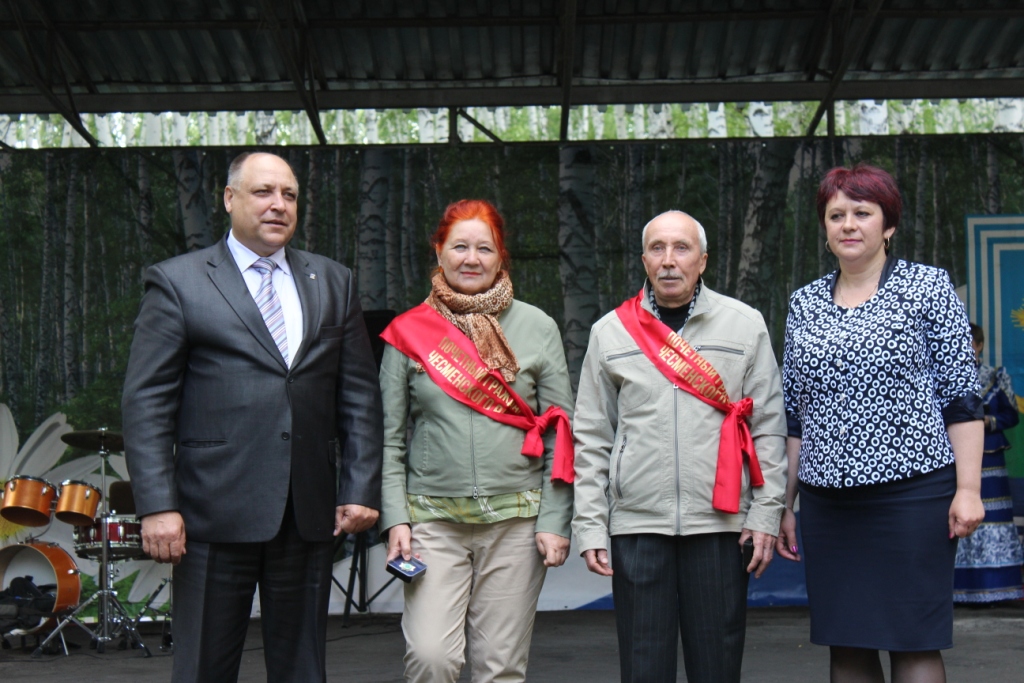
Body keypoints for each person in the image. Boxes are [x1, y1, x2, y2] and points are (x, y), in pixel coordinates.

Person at [122, 152, 384, 683]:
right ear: (229, 198)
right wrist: (158, 506)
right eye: (263, 192)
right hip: (211, 515)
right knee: (203, 669)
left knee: (303, 671)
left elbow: (359, 396)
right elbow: (147, 402)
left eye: (289, 195)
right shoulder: (178, 281)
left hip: (306, 514)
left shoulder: (334, 281)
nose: (278, 205)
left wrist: (359, 487)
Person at [778, 163, 985, 683]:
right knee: (847, 644)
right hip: (828, 504)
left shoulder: (928, 287)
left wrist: (968, 490)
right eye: (836, 215)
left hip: (914, 498)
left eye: (862, 213)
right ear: (825, 227)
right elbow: (796, 415)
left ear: (888, 224)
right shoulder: (803, 303)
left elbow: (962, 400)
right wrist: (784, 503)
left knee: (914, 641)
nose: (848, 225)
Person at [572, 210, 787, 683]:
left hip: (721, 524)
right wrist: (590, 527)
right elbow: (591, 436)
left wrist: (766, 513)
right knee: (643, 668)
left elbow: (769, 426)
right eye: (658, 248)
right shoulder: (610, 331)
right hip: (637, 523)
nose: (669, 260)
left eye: (682, 248)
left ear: (703, 260)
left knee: (717, 667)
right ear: (644, 260)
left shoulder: (744, 325)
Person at [378, 199, 575, 683]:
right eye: (459, 247)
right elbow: (388, 439)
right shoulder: (407, 332)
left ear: (501, 255)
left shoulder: (537, 326)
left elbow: (562, 433)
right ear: (438, 251)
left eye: (484, 248)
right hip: (432, 523)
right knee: (432, 658)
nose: (471, 259)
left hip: (516, 524)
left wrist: (555, 519)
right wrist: (395, 517)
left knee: (500, 668)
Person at [953, 324, 1024, 603]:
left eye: (970, 343)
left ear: (980, 345)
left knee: (991, 517)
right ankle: (959, 590)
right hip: (956, 457)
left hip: (990, 457)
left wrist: (986, 422)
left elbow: (1011, 415)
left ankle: (996, 588)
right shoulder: (947, 375)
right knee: (958, 516)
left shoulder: (995, 376)